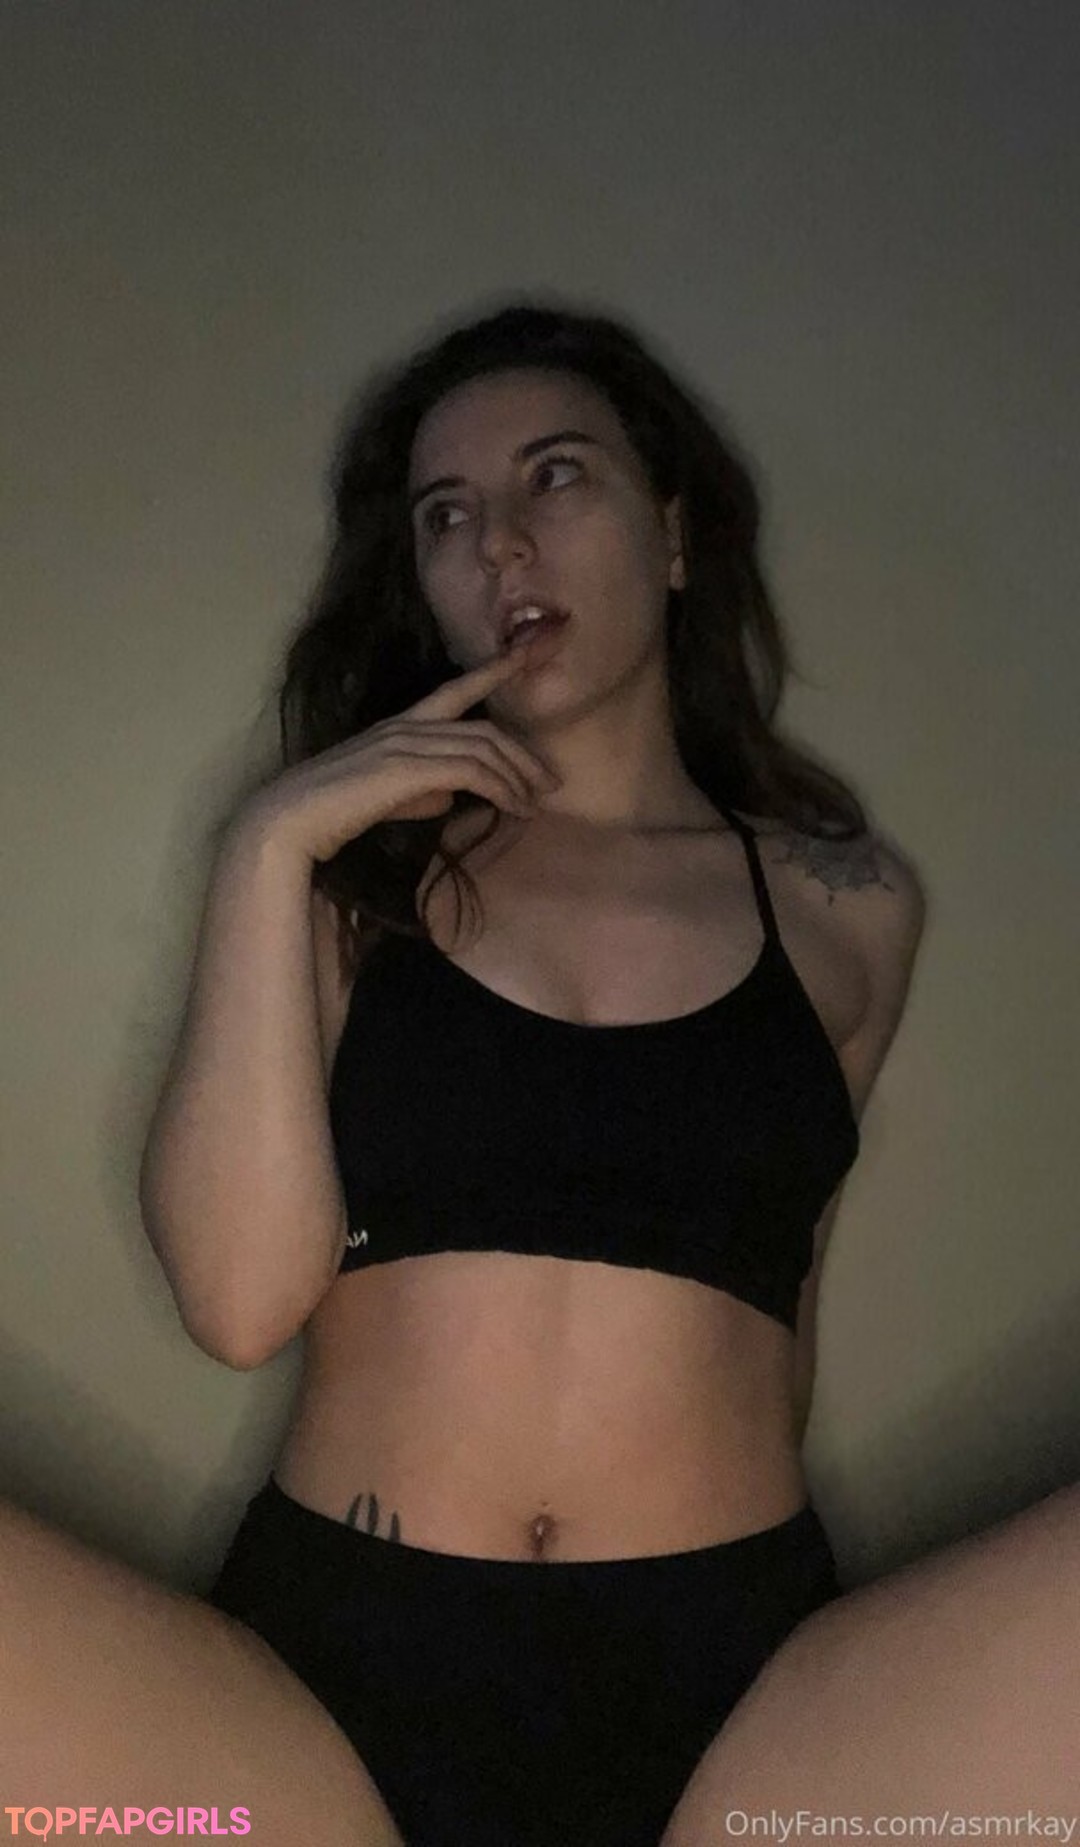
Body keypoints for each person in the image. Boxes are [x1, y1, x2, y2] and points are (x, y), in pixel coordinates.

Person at [2, 298, 1074, 1845]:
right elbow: (238, 1305)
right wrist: (265, 848)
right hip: (329, 1690)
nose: (498, 542)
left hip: (735, 1698)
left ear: (675, 537)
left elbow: (775, 1307)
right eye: (445, 516)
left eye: (556, 477)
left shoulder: (849, 907)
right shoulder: (342, 882)